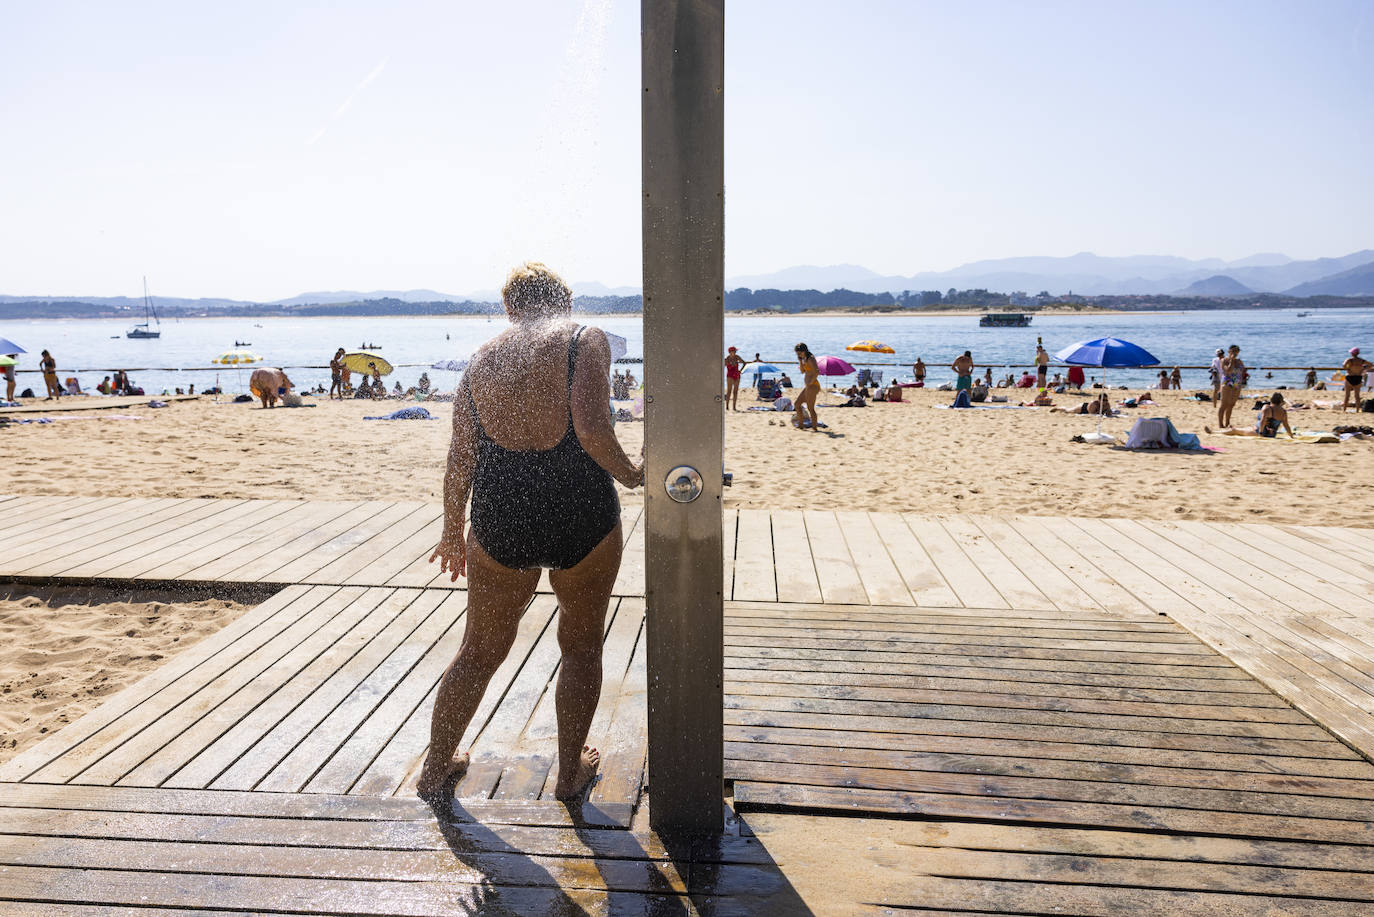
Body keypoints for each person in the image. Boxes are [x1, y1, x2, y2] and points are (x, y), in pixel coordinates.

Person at [422, 262, 643, 801]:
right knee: (581, 646)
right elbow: (591, 429)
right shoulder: (583, 340)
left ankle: (436, 769)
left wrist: (453, 529)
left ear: (510, 308)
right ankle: (569, 776)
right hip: (580, 512)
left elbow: (460, 457)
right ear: (564, 303)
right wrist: (633, 474)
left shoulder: (481, 360)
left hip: (501, 516)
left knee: (478, 650)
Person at [793, 342, 821, 430]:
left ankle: (814, 428)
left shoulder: (810, 358)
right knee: (797, 404)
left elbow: (816, 371)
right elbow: (802, 371)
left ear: (804, 350)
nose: (798, 354)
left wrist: (810, 382)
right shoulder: (804, 359)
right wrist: (800, 361)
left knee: (810, 408)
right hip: (808, 386)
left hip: (813, 386)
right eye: (797, 353)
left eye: (799, 352)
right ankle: (801, 425)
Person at [1217, 345, 1245, 429]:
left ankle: (1227, 423)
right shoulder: (1224, 360)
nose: (1235, 353)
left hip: (1237, 384)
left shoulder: (1239, 361)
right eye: (1233, 351)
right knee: (1224, 404)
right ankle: (1220, 424)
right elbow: (1228, 370)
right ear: (1229, 351)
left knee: (1231, 404)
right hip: (1227, 383)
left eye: (1236, 351)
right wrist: (1232, 361)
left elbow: (1242, 371)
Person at [1341, 347, 1371, 412]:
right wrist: (1363, 368)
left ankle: (1344, 409)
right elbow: (1371, 365)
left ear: (1352, 353)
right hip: (1358, 377)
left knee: (1347, 395)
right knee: (1357, 396)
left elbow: (1343, 365)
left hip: (1350, 377)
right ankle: (1357, 410)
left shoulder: (1349, 360)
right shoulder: (1362, 361)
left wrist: (1348, 369)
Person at [723, 346, 751, 411]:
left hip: (736, 375)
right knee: (729, 391)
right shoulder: (727, 359)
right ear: (730, 352)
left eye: (735, 351)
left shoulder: (737, 357)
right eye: (734, 351)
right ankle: (727, 406)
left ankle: (734, 407)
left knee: (735, 391)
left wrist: (740, 371)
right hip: (730, 375)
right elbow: (723, 366)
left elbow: (744, 363)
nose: (735, 352)